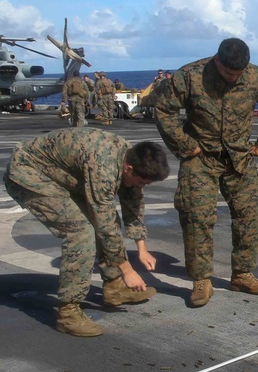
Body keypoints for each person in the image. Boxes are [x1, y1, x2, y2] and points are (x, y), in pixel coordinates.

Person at [155, 37, 258, 307]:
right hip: (200, 157)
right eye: (228, 73)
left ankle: (243, 274)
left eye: (239, 74)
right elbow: (164, 111)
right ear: (217, 60)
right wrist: (185, 145)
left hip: (240, 157)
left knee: (248, 216)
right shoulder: (189, 76)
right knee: (196, 217)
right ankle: (201, 279)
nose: (233, 78)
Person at [3, 129, 169, 336]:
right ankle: (68, 313)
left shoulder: (131, 158)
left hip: (59, 174)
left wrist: (142, 247)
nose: (143, 186)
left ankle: (114, 287)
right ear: (129, 169)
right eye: (143, 182)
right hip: (29, 173)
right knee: (81, 233)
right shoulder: (104, 166)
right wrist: (128, 270)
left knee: (106, 221)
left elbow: (133, 203)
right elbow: (104, 224)